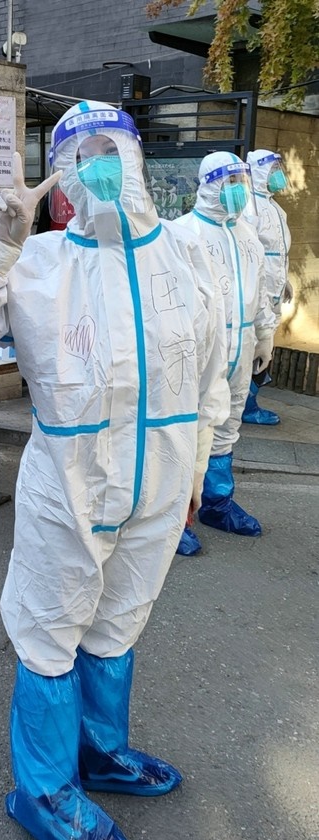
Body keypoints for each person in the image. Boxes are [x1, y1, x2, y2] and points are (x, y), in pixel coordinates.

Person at [0, 101, 229, 840]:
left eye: (111, 149)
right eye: (80, 156)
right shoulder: (40, 263)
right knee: (51, 626)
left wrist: (196, 471)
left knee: (119, 621)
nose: (100, 167)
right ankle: (45, 791)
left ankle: (100, 755)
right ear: (60, 177)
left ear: (136, 158)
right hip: (70, 486)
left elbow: (208, 377)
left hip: (160, 480)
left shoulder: (185, 256)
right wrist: (3, 239)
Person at [175, 151, 276, 556]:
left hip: (241, 347)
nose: (238, 190)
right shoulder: (183, 234)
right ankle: (173, 517)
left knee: (227, 425)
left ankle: (216, 503)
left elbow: (260, 288)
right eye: (230, 181)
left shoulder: (246, 234)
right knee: (186, 432)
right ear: (209, 183)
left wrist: (265, 333)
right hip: (198, 352)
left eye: (241, 181)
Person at [242, 149, 292, 425]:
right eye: (274, 169)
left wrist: (285, 280)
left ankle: (248, 401)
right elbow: (251, 256)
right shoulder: (250, 207)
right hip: (258, 293)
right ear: (260, 171)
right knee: (255, 348)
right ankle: (245, 406)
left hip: (273, 291)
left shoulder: (275, 208)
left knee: (263, 349)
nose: (279, 175)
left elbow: (278, 252)